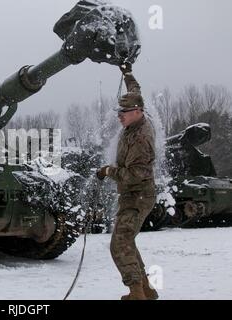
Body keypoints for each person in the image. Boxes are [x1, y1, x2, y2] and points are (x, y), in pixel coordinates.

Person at [97, 62, 159, 300]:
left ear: (137, 112)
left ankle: (136, 293)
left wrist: (107, 171)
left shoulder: (141, 139)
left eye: (123, 113)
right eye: (118, 112)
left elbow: (135, 174)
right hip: (133, 195)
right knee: (127, 240)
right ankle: (145, 290)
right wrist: (127, 73)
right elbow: (136, 90)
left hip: (138, 195)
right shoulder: (137, 115)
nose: (119, 116)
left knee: (119, 243)